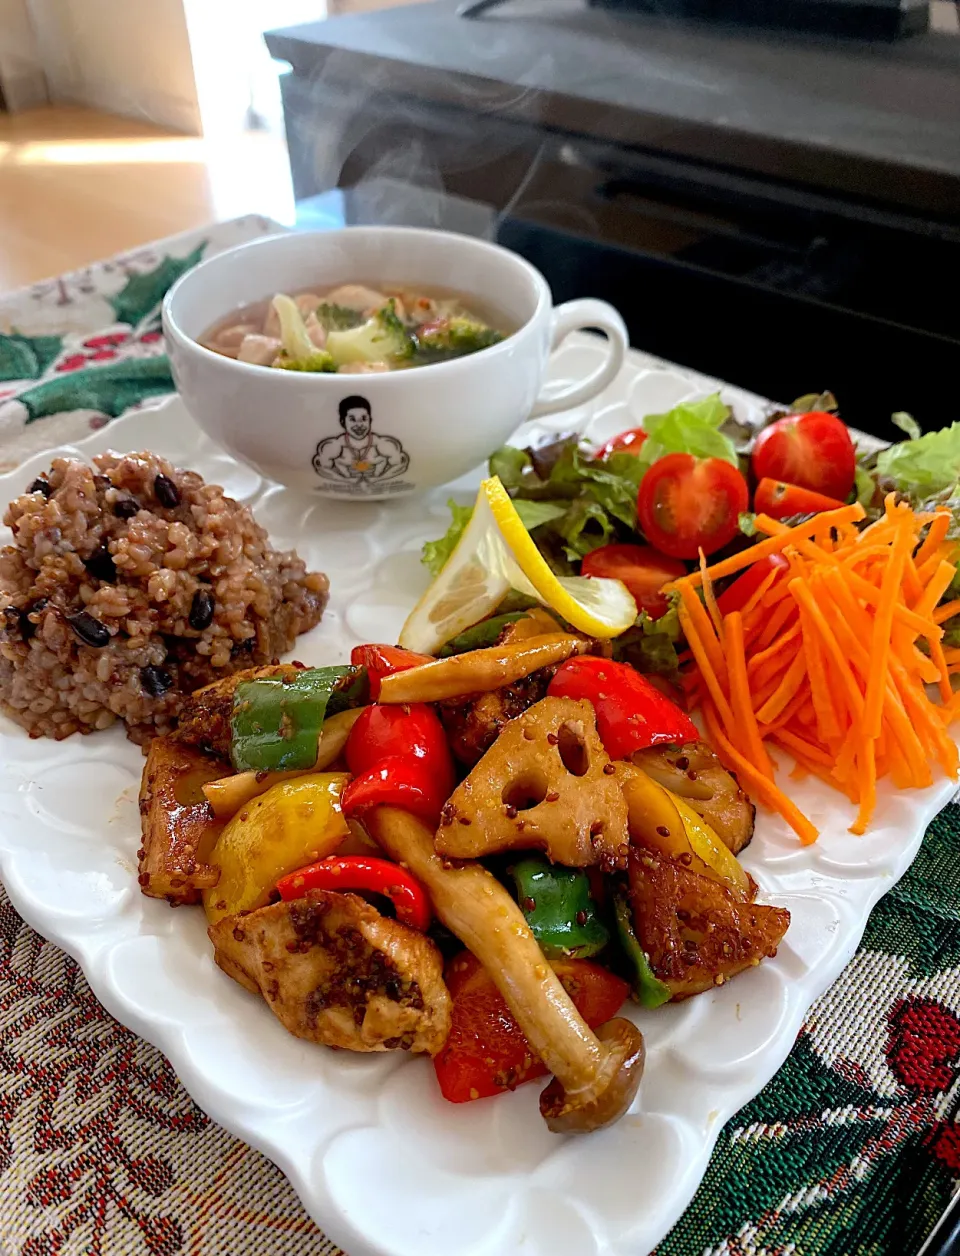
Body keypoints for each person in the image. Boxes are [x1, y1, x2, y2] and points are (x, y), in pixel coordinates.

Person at [312, 395, 409, 487]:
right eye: (352, 419)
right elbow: (321, 467)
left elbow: (401, 463)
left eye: (364, 419)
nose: (359, 425)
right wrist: (345, 481)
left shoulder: (383, 444)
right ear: (342, 422)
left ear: (370, 420)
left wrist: (378, 479)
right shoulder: (333, 446)